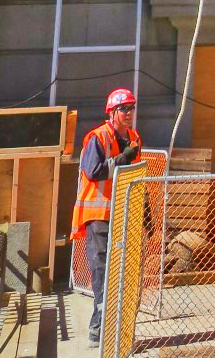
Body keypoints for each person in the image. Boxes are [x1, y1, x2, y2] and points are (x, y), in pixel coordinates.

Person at [70, 87, 143, 344]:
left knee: (123, 271)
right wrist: (122, 158)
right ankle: (98, 330)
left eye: (131, 108)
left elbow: (136, 176)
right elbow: (94, 171)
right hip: (98, 215)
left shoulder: (134, 139)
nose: (129, 113)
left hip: (124, 213)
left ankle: (117, 328)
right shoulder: (97, 138)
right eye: (124, 108)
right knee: (102, 271)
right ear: (111, 112)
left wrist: (144, 211)